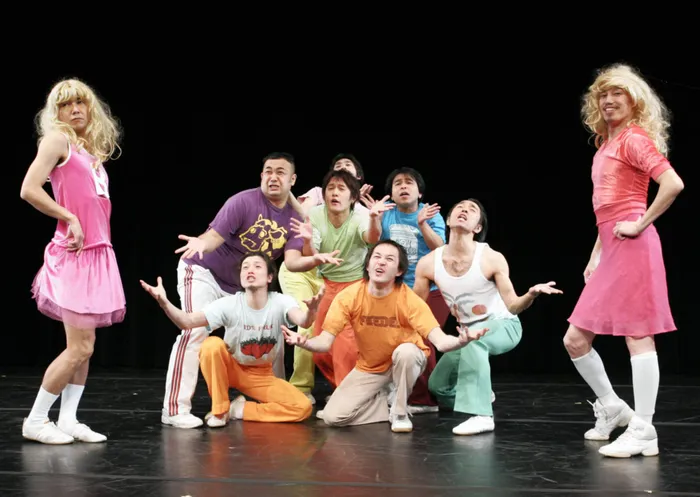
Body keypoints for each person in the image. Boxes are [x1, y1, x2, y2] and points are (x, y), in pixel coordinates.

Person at [164, 152, 340, 429]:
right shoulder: (243, 201)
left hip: (242, 287)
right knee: (195, 332)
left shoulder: (295, 218)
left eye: (280, 172)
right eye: (268, 171)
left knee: (273, 334)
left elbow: (292, 262)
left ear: (292, 179)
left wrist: (315, 259)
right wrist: (200, 244)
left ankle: (270, 399)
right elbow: (213, 237)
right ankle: (175, 409)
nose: (273, 177)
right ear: (261, 176)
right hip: (205, 273)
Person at [563, 63, 684, 458]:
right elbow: (605, 208)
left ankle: (644, 429)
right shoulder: (606, 144)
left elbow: (672, 183)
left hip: (634, 246)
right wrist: (596, 254)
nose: (609, 100)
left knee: (638, 335)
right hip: (611, 247)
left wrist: (640, 223)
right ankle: (613, 407)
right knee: (575, 339)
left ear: (635, 102)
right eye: (603, 94)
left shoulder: (633, 138)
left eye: (618, 93)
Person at [282, 240, 487, 432]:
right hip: (370, 367)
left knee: (406, 352)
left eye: (389, 259)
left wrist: (461, 341)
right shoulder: (348, 296)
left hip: (406, 360)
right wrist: (305, 343)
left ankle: (399, 412)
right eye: (377, 257)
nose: (381, 262)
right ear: (368, 265)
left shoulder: (409, 300)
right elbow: (325, 342)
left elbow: (440, 342)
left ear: (399, 271)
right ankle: (382, 403)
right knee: (332, 417)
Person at [20, 78, 125, 444]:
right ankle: (36, 420)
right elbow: (28, 189)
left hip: (97, 252)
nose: (75, 109)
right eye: (66, 105)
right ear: (57, 112)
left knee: (86, 346)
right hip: (74, 254)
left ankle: (67, 419)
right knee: (78, 347)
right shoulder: (57, 141)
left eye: (80, 102)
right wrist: (69, 217)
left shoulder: (88, 152)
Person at [414, 199, 562, 435]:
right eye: (460, 207)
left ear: (478, 227)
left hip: (505, 325)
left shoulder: (491, 258)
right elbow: (416, 307)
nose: (464, 210)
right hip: (466, 336)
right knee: (438, 386)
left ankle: (482, 415)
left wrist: (531, 294)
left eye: (472, 210)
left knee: (476, 341)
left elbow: (513, 306)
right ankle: (482, 392)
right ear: (448, 220)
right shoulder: (428, 263)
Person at [141, 252, 318, 427]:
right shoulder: (230, 304)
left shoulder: (281, 301)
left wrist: (311, 311)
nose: (250, 270)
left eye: (257, 266)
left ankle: (238, 410)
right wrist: (164, 303)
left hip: (261, 374)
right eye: (245, 267)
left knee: (302, 407)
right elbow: (187, 322)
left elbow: (303, 321)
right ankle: (220, 410)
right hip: (230, 367)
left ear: (269, 277)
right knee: (211, 345)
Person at [279, 153, 369, 404]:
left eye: (348, 167)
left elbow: (371, 239)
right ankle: (301, 388)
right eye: (338, 167)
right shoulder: (318, 195)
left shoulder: (362, 211)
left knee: (341, 338)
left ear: (358, 180)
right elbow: (302, 215)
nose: (342, 168)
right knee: (308, 324)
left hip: (330, 276)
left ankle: (350, 390)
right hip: (303, 270)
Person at [362, 166, 450, 414]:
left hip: (430, 290)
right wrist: (373, 218)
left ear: (419, 192)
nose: (403, 186)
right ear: (391, 193)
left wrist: (422, 223)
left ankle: (424, 399)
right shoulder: (386, 214)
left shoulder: (430, 214)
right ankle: (399, 390)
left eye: (409, 182)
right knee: (393, 340)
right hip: (395, 290)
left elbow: (439, 248)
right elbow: (372, 242)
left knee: (423, 340)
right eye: (397, 183)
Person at [289, 169, 387, 390]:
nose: (334, 193)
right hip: (326, 284)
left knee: (345, 346)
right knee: (319, 350)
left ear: (352, 197)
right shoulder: (315, 215)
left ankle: (349, 397)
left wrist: (374, 219)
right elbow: (310, 256)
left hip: (355, 286)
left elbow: (372, 238)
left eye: (341, 189)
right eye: (330, 188)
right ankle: (344, 390)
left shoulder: (361, 215)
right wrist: (307, 241)